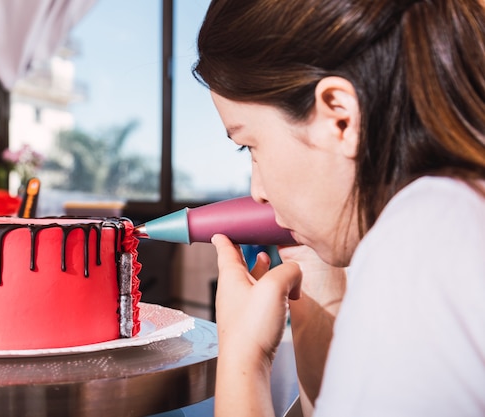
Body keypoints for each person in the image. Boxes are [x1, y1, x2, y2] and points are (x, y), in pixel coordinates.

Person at [192, 0, 485, 416]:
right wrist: (319, 289)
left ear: (340, 118)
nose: (257, 191)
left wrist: (244, 354)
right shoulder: (455, 210)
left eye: (249, 145)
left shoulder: (420, 254)